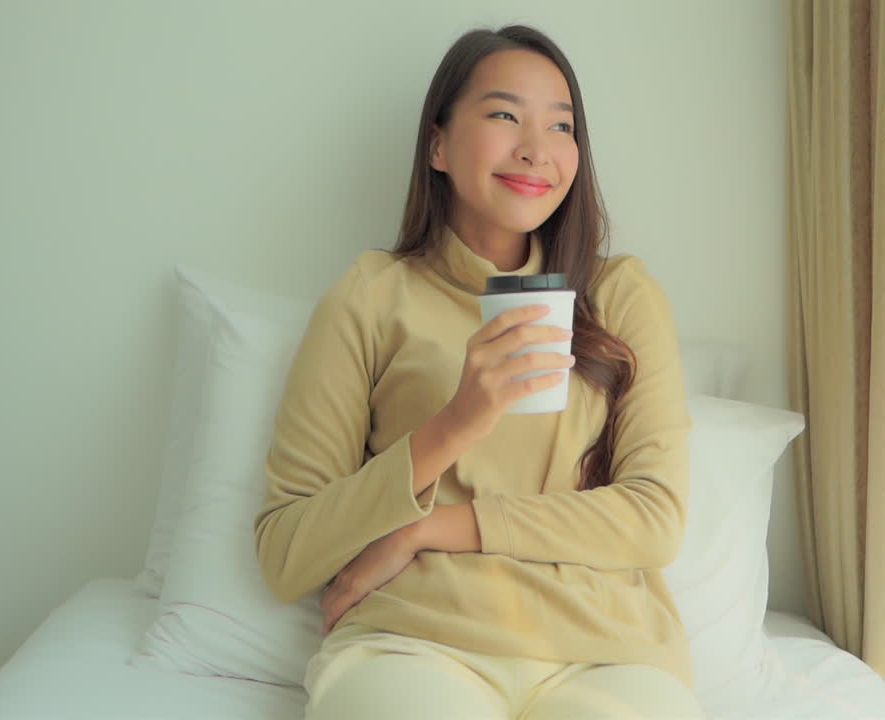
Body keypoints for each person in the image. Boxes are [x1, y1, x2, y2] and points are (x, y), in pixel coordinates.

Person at [253, 24, 703, 720]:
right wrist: (457, 422)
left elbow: (654, 518)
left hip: (608, 652)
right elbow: (286, 553)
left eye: (560, 125)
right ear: (437, 144)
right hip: (414, 644)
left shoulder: (620, 296)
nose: (535, 147)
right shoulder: (372, 296)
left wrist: (428, 528)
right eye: (503, 115)